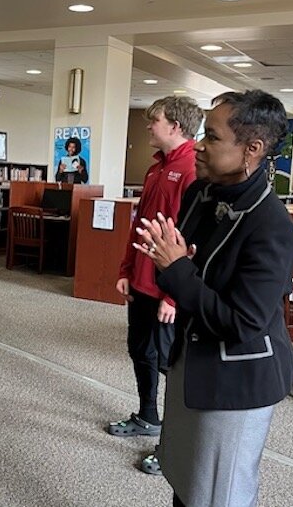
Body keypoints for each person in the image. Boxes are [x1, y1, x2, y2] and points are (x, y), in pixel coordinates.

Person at [133, 90, 293, 507]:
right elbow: (174, 265)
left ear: (252, 149)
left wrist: (179, 271)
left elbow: (242, 323)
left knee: (218, 495)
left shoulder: (271, 223)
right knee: (185, 482)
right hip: (193, 362)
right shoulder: (203, 193)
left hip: (236, 383)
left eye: (213, 136)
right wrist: (175, 270)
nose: (201, 144)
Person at [107, 97, 203, 474]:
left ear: (176, 126)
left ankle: (176, 447)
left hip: (169, 289)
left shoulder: (192, 169)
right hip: (142, 280)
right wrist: (126, 268)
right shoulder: (155, 169)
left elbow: (190, 239)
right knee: (140, 350)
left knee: (170, 364)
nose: (149, 126)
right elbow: (140, 224)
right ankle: (148, 416)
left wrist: (172, 296)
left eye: (155, 120)